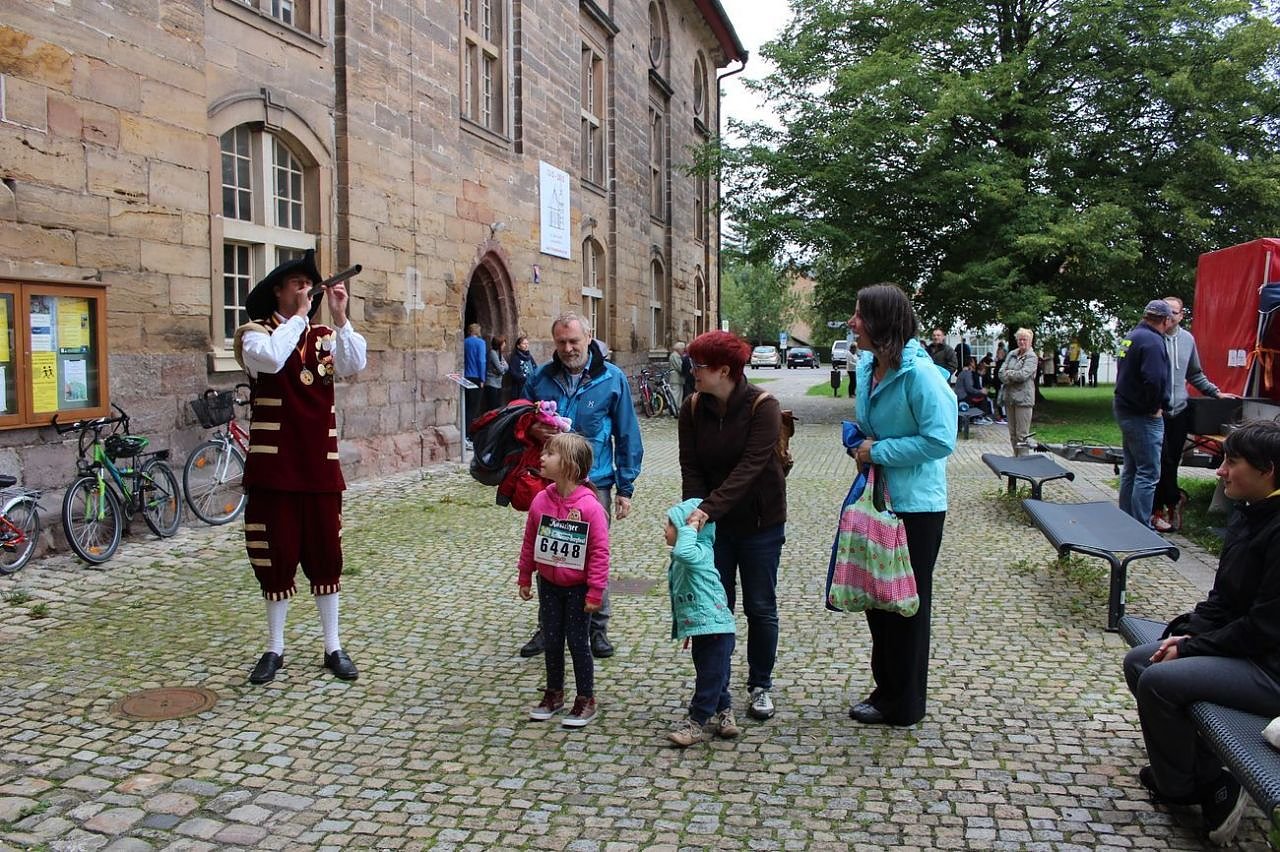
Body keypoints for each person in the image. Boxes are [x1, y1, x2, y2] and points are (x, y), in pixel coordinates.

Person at [1122, 419, 1280, 846]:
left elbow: (1264, 628)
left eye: (1232, 462)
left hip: (1269, 668)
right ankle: (1208, 774)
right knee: (1140, 660)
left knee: (1159, 681)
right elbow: (1224, 599)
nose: (1220, 471)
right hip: (1247, 649)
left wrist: (1192, 647)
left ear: (1267, 470)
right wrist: (1185, 631)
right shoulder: (1251, 513)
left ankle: (1187, 787)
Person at [231, 249, 368, 685]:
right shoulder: (254, 335)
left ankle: (333, 645)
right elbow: (273, 358)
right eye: (298, 284)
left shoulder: (324, 336)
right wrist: (300, 317)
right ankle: (275, 646)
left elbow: (355, 364)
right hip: (274, 469)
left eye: (310, 285)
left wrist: (341, 317)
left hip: (319, 467)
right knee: (275, 555)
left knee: (327, 554)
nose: (306, 290)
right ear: (278, 291)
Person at [846, 283, 957, 726]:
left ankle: (905, 703)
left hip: (916, 507)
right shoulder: (868, 367)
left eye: (859, 315)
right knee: (878, 598)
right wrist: (858, 441)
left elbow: (940, 440)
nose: (852, 322)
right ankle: (886, 690)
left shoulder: (921, 375)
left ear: (881, 322)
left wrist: (878, 451)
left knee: (907, 604)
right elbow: (870, 426)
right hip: (879, 499)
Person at [519, 313, 642, 659]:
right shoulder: (540, 378)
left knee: (593, 554)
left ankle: (597, 628)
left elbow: (627, 434)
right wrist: (532, 429)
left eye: (574, 341)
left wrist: (626, 487)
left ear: (589, 337)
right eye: (561, 342)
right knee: (549, 551)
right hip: (550, 483)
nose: (568, 348)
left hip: (595, 482)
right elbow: (521, 422)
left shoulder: (612, 378)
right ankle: (548, 627)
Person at [679, 330, 786, 722]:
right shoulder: (692, 408)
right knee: (712, 608)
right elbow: (691, 467)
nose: (692, 371)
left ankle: (760, 684)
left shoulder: (764, 406)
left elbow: (749, 469)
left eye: (699, 365)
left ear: (724, 370)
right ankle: (716, 692)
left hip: (761, 524)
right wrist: (694, 514)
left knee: (760, 606)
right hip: (714, 529)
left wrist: (706, 510)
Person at [518, 433, 610, 728]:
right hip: (549, 584)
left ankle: (585, 698)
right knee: (553, 639)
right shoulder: (540, 500)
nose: (542, 457)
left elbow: (599, 552)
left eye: (550, 453)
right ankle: (554, 693)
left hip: (578, 587)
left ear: (569, 465)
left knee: (578, 641)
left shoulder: (590, 508)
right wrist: (525, 575)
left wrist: (595, 591)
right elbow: (530, 540)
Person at [664, 498, 739, 747]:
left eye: (670, 524)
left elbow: (683, 551)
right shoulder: (690, 555)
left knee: (710, 676)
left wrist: (691, 526)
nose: (665, 529)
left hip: (716, 628)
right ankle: (725, 711)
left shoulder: (699, 552)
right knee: (716, 673)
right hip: (704, 627)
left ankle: (696, 722)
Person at [1153, 296, 1231, 532]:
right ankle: (1160, 506)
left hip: (1179, 410)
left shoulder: (1187, 340)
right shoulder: (1152, 337)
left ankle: (1171, 503)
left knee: (1171, 461)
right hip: (1155, 412)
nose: (1169, 316)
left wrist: (1216, 393)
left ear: (1181, 315)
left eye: (1174, 312)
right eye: (1165, 311)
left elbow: (1195, 373)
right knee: (1158, 461)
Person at [1115, 300, 1175, 528]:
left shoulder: (1133, 336)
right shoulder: (1152, 341)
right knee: (1148, 472)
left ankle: (1126, 521)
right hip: (1142, 415)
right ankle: (1141, 527)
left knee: (1131, 469)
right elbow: (1155, 379)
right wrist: (1155, 407)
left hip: (1125, 408)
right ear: (1165, 320)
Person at [998, 329, 1038, 455]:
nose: (1022, 342)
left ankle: (1023, 460)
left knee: (1022, 435)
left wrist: (1009, 373)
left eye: (1024, 339)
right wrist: (1010, 375)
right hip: (1009, 398)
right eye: (1019, 339)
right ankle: (1016, 458)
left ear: (1030, 341)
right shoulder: (1011, 354)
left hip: (1024, 399)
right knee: (1013, 433)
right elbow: (1001, 372)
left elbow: (1023, 375)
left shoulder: (1032, 357)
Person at [954, 357, 995, 422]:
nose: (975, 363)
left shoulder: (964, 372)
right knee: (983, 395)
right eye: (973, 362)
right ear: (970, 363)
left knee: (981, 394)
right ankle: (979, 417)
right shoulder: (967, 373)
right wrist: (981, 391)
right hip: (963, 396)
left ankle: (979, 416)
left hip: (960, 395)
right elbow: (969, 389)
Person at [463, 323, 486, 432]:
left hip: (465, 376)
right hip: (476, 376)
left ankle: (465, 431)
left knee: (467, 405)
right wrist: (482, 378)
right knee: (474, 407)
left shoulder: (465, 342)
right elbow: (481, 361)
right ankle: (469, 432)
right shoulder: (480, 343)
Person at [505, 334, 537, 404]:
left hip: (530, 386)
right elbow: (513, 373)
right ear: (518, 346)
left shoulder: (529, 356)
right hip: (520, 388)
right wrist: (524, 379)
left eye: (527, 343)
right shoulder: (515, 358)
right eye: (524, 344)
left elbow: (535, 368)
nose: (526, 345)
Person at [484, 335, 507, 412]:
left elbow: (507, 366)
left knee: (497, 407)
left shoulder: (499, 353)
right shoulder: (492, 353)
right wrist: (502, 369)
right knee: (492, 408)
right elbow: (500, 369)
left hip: (498, 384)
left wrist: (502, 368)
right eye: (503, 344)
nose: (504, 346)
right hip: (491, 383)